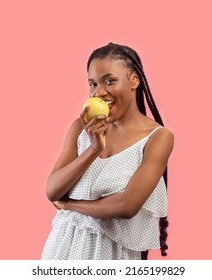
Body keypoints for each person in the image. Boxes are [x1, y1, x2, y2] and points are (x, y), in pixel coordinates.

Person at [41, 42, 174, 260]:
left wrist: (69, 205)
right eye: (92, 84)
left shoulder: (158, 137)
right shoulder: (81, 128)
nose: (99, 92)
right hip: (62, 250)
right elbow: (52, 189)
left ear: (134, 80)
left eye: (110, 81)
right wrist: (94, 149)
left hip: (113, 257)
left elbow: (126, 206)